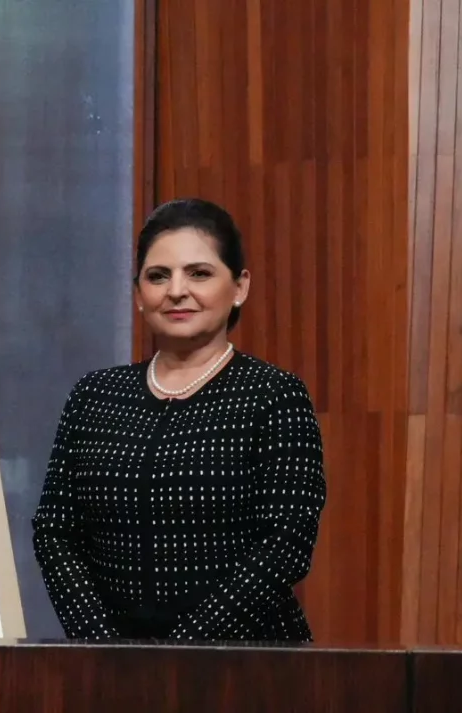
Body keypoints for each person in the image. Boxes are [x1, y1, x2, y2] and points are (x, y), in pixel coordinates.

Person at [32, 197, 326, 642]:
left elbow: (285, 543)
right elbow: (55, 530)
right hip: (109, 667)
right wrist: (103, 647)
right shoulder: (94, 395)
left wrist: (182, 653)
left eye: (199, 273)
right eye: (158, 276)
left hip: (246, 668)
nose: (176, 291)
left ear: (240, 286)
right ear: (138, 294)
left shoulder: (274, 396)